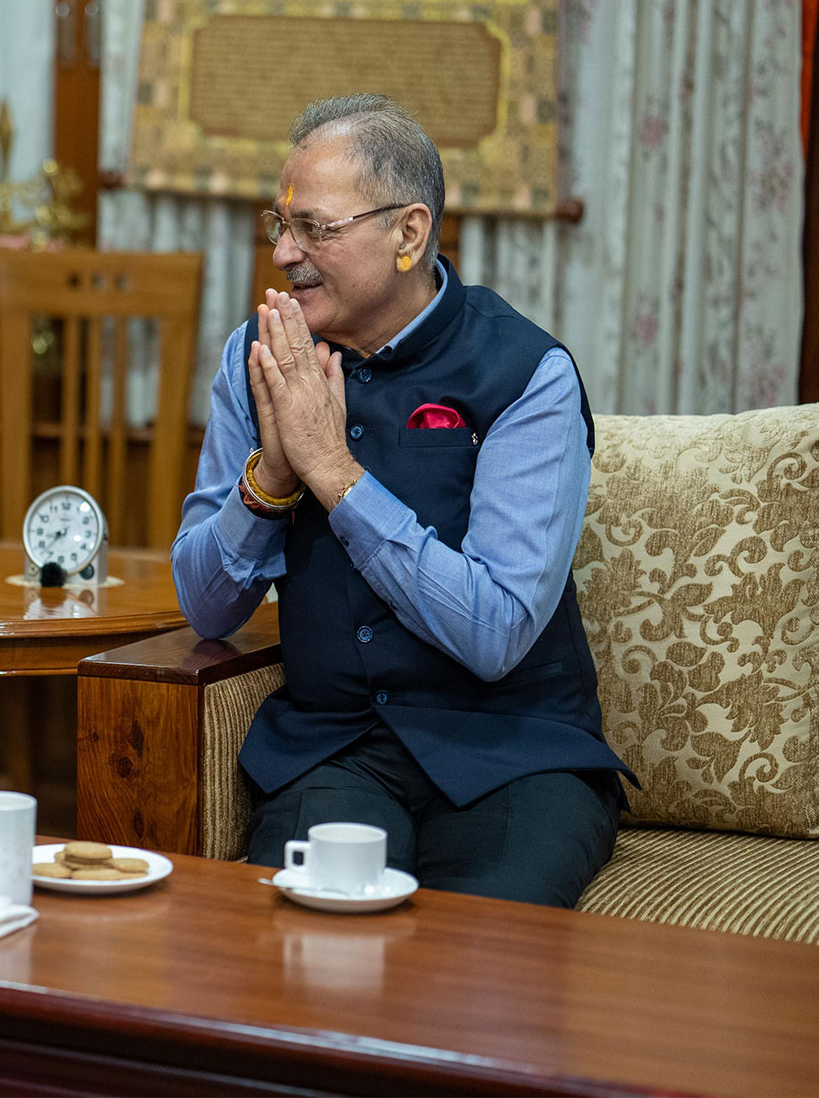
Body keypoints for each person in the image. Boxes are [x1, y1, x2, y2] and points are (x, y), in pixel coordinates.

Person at [172, 94, 634, 908]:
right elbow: (205, 609)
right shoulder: (263, 359)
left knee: (481, 966)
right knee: (300, 946)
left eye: (316, 229)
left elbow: (494, 634)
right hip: (336, 748)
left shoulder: (525, 376)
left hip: (512, 751)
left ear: (408, 234)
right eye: (278, 224)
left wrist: (335, 475)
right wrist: (271, 482)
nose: (284, 253)